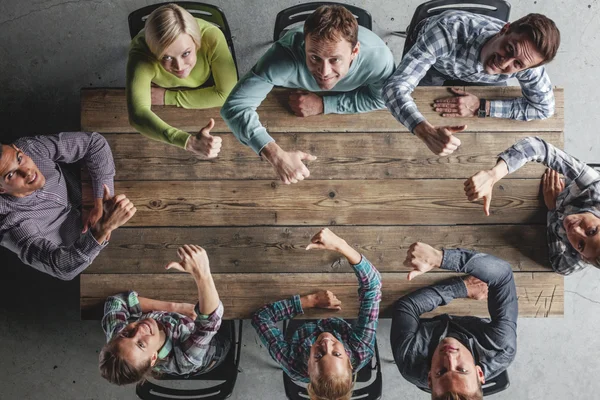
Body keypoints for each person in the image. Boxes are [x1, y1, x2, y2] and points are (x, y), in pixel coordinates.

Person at [221, 5, 395, 184]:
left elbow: (380, 99)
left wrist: (323, 104)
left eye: (335, 59)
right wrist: (276, 155)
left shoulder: (379, 60)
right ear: (304, 46)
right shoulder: (282, 58)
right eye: (314, 57)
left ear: (354, 51)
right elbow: (235, 106)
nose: (324, 72)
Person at [383, 11, 560, 156]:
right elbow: (394, 88)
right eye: (509, 49)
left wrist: (483, 106)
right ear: (504, 29)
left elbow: (544, 108)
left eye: (517, 64)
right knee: (417, 107)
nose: (504, 64)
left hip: (475, 77)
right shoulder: (445, 33)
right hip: (436, 64)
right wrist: (425, 133)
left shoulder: (528, 59)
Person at [252, 228, 381, 400]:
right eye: (337, 354)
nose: (326, 343)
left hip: (298, 309)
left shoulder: (294, 365)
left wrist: (310, 301)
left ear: (307, 369)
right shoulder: (361, 349)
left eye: (318, 356)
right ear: (349, 363)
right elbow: (373, 285)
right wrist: (341, 246)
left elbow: (261, 317)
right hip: (342, 310)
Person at [0, 132, 135, 280]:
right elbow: (61, 267)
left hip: (82, 187)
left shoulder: (29, 148)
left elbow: (94, 143)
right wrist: (101, 229)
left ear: (17, 149)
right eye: (11, 175)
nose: (26, 172)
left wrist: (100, 203)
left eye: (19, 159)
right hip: (85, 254)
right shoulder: (11, 224)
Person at [392, 242, 517, 399]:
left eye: (441, 371)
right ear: (479, 372)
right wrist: (439, 258)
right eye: (462, 369)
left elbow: (407, 307)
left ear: (430, 379)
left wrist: (462, 287)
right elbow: (502, 274)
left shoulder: (409, 361)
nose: (449, 356)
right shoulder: (501, 347)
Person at [465, 136, 600, 275]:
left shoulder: (578, 259)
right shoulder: (597, 188)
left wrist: (553, 210)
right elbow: (537, 147)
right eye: (592, 231)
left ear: (583, 257)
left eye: (580, 245)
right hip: (568, 183)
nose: (575, 231)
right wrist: (493, 174)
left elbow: (559, 266)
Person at [99, 245, 229, 385]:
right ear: (153, 358)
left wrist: (175, 307)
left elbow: (115, 302)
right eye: (141, 344)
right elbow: (210, 323)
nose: (139, 330)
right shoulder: (184, 358)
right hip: (213, 350)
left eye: (126, 334)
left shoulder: (118, 342)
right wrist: (202, 274)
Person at [127, 3, 237, 157]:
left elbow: (227, 94)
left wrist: (169, 97)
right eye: (166, 57)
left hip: (193, 85)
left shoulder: (212, 37)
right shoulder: (140, 53)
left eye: (186, 53)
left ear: (197, 42)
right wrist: (188, 142)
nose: (179, 66)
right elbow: (137, 114)